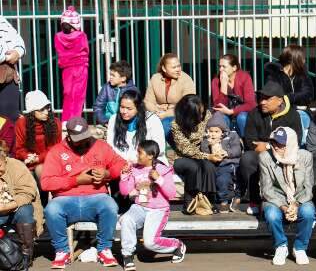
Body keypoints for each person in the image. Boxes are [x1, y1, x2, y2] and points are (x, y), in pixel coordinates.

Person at [41, 117, 126, 269]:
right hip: (65, 199)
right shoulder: (57, 151)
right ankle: (62, 251)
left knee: (110, 205)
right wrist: (76, 180)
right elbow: (46, 182)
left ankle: (104, 249)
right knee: (51, 209)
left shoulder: (101, 146)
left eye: (84, 137)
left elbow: (121, 164)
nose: (81, 142)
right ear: (68, 136)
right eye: (77, 139)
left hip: (96, 196)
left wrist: (107, 173)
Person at [119, 140, 186, 271]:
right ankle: (127, 255)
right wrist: (124, 176)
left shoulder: (162, 169)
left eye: (140, 153)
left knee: (150, 243)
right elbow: (125, 191)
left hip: (158, 210)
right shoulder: (135, 169)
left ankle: (177, 245)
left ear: (150, 155)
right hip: (139, 207)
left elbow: (171, 193)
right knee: (126, 219)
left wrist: (159, 179)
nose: (137, 155)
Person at [240, 81, 302, 215]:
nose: (262, 102)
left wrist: (267, 146)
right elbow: (250, 142)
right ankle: (255, 201)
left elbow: (295, 141)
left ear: (280, 100)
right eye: (261, 98)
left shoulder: (293, 115)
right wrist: (273, 147)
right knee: (247, 158)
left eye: (267, 98)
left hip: (285, 156)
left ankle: (294, 201)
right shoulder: (254, 114)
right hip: (262, 155)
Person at [259, 127, 315, 266]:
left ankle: (300, 247)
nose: (276, 147)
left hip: (300, 197)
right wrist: (285, 208)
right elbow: (267, 189)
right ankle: (281, 246)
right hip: (276, 198)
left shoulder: (305, 156)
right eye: (274, 143)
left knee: (308, 212)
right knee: (272, 215)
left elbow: (308, 188)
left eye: (281, 144)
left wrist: (295, 205)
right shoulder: (265, 157)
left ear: (290, 144)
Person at [171, 95, 219, 212]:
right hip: (182, 157)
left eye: (202, 112)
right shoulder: (176, 125)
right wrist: (207, 156)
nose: (202, 116)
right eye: (199, 114)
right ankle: (189, 201)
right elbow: (186, 150)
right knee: (193, 166)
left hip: (202, 154)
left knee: (209, 167)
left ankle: (210, 200)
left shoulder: (206, 115)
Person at [0, 140, 43, 270]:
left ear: (4, 158)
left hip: (15, 208)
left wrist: (6, 206)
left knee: (25, 211)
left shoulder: (16, 166)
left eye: (0, 165)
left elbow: (27, 193)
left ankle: (26, 255)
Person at [15, 90, 61, 206]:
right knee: (26, 175)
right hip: (28, 160)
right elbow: (19, 148)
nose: (46, 112)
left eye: (47, 108)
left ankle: (46, 206)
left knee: (41, 170)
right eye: (42, 109)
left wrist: (38, 159)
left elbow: (55, 148)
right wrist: (27, 156)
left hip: (48, 160)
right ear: (32, 111)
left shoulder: (55, 122)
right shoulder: (21, 123)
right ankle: (33, 210)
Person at [265, 44, 314, 144]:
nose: (304, 61)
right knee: (295, 116)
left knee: (302, 117)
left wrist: (289, 97)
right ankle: (300, 146)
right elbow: (275, 96)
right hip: (281, 112)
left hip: (301, 111)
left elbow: (309, 94)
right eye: (303, 58)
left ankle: (302, 146)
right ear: (295, 59)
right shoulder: (275, 74)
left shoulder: (302, 73)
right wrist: (295, 98)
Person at [107, 90, 168, 165]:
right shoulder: (113, 119)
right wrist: (123, 161)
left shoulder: (152, 120)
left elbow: (159, 148)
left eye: (129, 109)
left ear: (138, 108)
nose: (124, 111)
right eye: (122, 107)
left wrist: (136, 160)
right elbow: (110, 146)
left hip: (147, 163)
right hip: (122, 163)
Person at [144, 53, 196, 142]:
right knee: (144, 123)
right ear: (164, 68)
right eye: (174, 67)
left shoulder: (186, 79)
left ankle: (174, 150)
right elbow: (148, 101)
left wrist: (166, 113)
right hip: (157, 113)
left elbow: (188, 104)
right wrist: (156, 110)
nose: (178, 70)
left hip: (179, 115)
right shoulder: (155, 78)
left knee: (165, 124)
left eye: (178, 66)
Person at [200, 111, 242, 213]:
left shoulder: (231, 136)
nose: (213, 134)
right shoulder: (206, 140)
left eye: (216, 131)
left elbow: (237, 150)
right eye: (211, 131)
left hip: (233, 163)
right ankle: (224, 202)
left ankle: (237, 196)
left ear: (222, 131)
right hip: (221, 166)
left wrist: (227, 153)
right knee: (222, 180)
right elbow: (203, 151)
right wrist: (210, 145)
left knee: (237, 180)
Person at [54, 6, 90, 125]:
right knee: (78, 95)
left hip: (67, 68)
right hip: (80, 67)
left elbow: (59, 51)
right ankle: (75, 121)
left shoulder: (58, 37)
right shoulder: (81, 36)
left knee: (67, 94)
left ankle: (65, 120)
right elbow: (86, 50)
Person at [211, 54, 256, 137]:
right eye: (219, 66)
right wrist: (223, 85)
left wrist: (232, 111)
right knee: (221, 118)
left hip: (241, 114)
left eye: (224, 67)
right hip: (225, 116)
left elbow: (251, 104)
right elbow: (218, 106)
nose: (221, 69)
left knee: (242, 117)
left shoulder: (244, 77)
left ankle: (246, 144)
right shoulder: (216, 81)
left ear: (234, 68)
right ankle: (225, 144)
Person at [94, 60, 138, 126]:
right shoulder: (106, 88)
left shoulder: (133, 90)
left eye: (113, 75)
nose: (110, 77)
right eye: (110, 75)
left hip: (126, 124)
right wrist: (105, 121)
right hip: (107, 122)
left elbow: (136, 110)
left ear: (123, 78)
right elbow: (98, 107)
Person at [0, 15, 25, 122]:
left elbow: (18, 41)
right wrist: (6, 57)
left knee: (10, 120)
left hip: (8, 76)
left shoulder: (1, 20)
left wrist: (17, 52)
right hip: (6, 63)